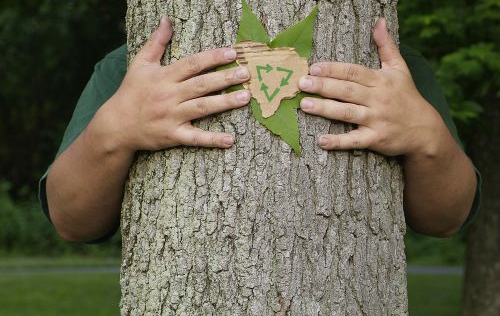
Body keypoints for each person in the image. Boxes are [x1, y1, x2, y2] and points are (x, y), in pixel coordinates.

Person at [39, 16, 479, 243]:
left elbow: (445, 219)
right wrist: (113, 130)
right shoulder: (133, 67)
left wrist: (428, 138)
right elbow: (71, 220)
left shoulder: (394, 70)